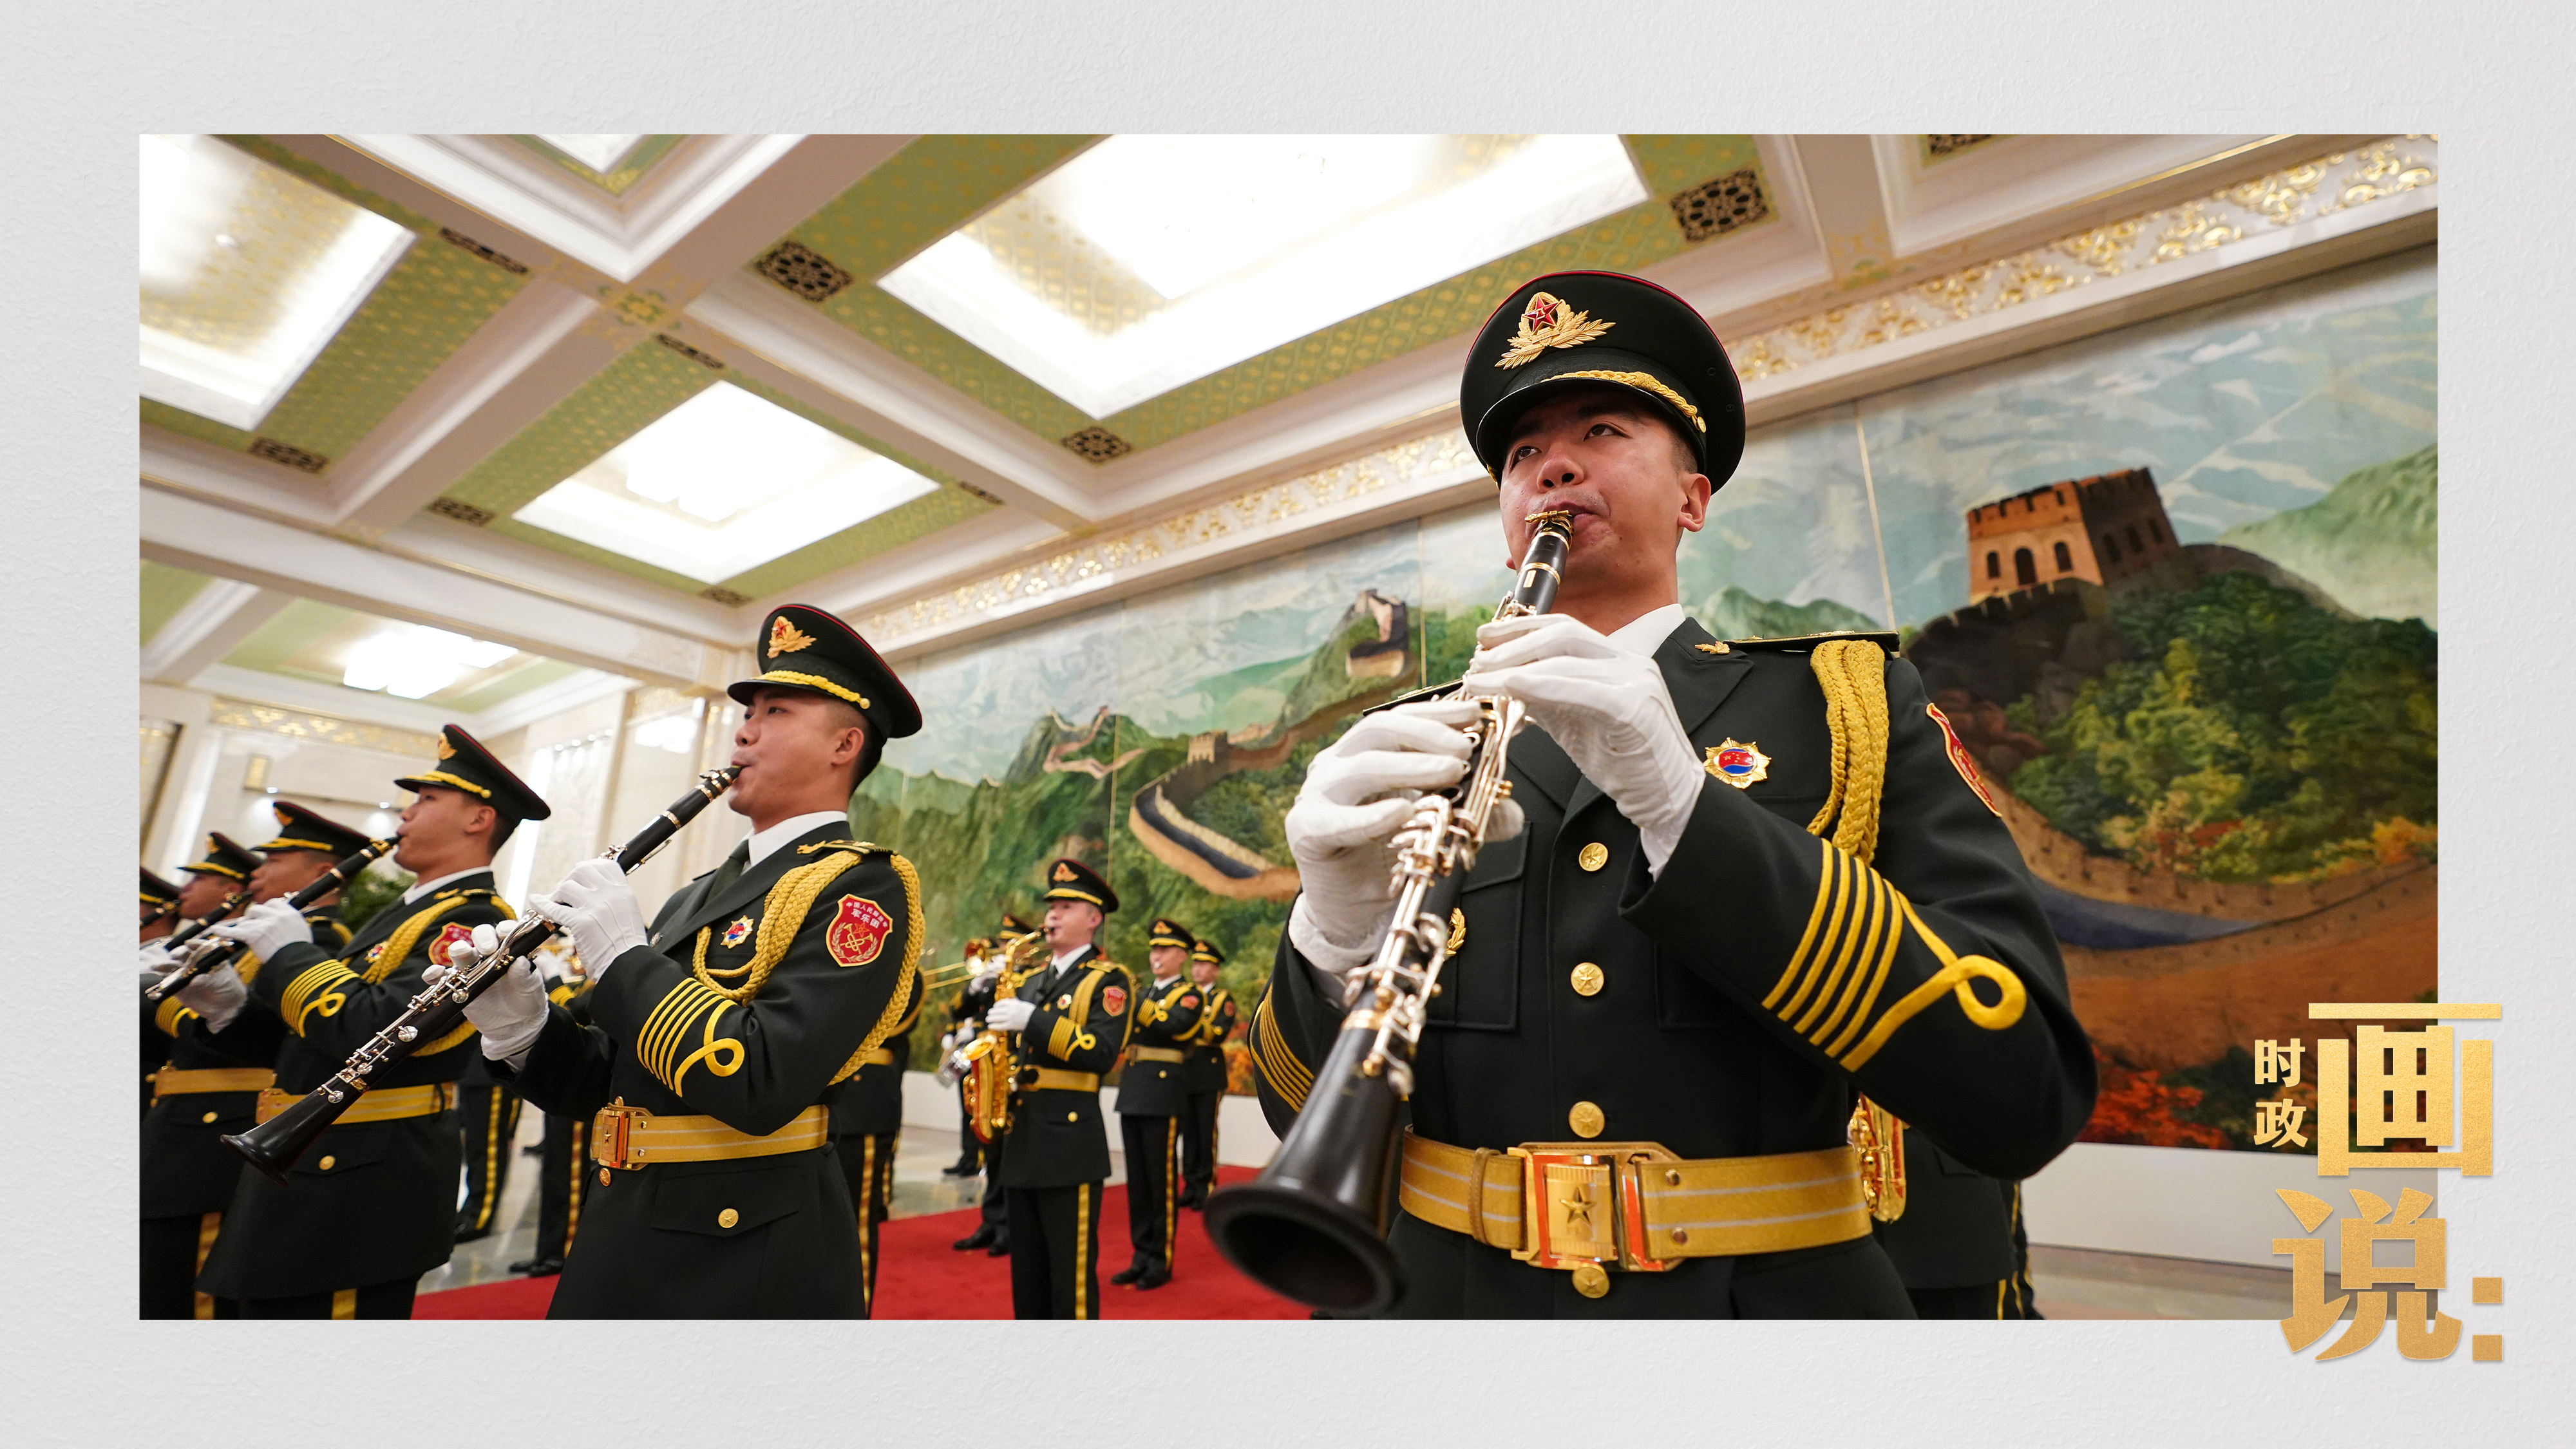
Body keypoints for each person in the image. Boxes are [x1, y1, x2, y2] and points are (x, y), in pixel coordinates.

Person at [1250, 270, 2095, 1318]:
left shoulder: (1848, 704)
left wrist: (1689, 815)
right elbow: (1296, 1113)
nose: (1553, 465)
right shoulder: (1418, 740)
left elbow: (2023, 1088)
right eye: (1521, 455)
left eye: (1602, 431)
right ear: (1510, 524)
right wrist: (1331, 936)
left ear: (1693, 499)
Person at [450, 603, 924, 1318]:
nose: (744, 730)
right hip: (627, 1227)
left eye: (776, 711)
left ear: (844, 744)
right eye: (747, 713)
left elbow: (762, 1081)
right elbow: (605, 1083)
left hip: (741, 1252)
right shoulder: (699, 894)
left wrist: (624, 958)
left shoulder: (862, 887)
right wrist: (524, 1029)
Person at [184, 734, 544, 1318]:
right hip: (317, 1160)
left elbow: (376, 1029)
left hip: (357, 1180)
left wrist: (291, 954)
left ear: (478, 819)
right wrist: (227, 1009)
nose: (406, 813)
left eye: (426, 799)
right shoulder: (406, 911)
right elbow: (308, 1046)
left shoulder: (475, 918)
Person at [138, 802, 366, 1318]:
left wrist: (168, 1002)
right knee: (159, 1284)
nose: (258, 873)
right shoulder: (258, 936)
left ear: (321, 871)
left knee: (191, 1297)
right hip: (182, 1122)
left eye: (275, 860)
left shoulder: (321, 940)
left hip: (224, 1120)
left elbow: (267, 1036)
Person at [986, 858, 1133, 1319]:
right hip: (1022, 1137)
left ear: (1094, 919)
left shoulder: (1108, 981)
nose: (1052, 914)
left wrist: (1035, 1020)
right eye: (1051, 906)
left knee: (1070, 1280)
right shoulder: (1029, 982)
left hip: (1068, 1142)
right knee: (1027, 1278)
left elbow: (1101, 1052)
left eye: (1067, 907)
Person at [1112, 917, 1205, 1289]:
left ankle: (1160, 1259)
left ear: (1182, 955)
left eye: (1165, 950)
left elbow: (1173, 1025)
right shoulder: (1147, 993)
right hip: (1134, 1089)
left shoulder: (1189, 995)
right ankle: (1140, 1254)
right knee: (1137, 1183)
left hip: (1163, 1093)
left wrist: (1132, 998)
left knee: (1160, 1182)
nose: (1156, 956)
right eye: (1154, 949)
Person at [833, 953, 922, 1313]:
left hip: (860, 1103)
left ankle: (856, 1315)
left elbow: (893, 1018)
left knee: (855, 1227)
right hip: (812, 1102)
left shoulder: (904, 968)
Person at [1176, 936, 1235, 1208]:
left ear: (1215, 970)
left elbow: (1218, 1033)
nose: (1197, 969)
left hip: (1208, 1074)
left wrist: (1186, 1026)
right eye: (1195, 964)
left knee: (1205, 1131)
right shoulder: (1185, 995)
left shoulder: (1222, 999)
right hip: (1185, 1073)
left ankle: (1205, 1185)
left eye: (1204, 965)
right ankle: (1190, 1184)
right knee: (1188, 1132)